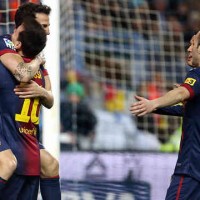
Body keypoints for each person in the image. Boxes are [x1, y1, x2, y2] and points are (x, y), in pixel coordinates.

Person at [130, 31, 200, 199]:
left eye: (193, 44)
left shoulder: (197, 74)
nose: (188, 48)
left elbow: (182, 93)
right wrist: (155, 107)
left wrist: (153, 103)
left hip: (191, 169)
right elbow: (189, 111)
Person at [11, 2, 61, 200]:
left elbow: (49, 100)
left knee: (50, 164)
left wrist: (40, 90)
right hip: (8, 133)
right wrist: (37, 63)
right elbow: (22, 75)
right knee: (7, 166)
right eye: (44, 26)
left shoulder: (38, 61)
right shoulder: (8, 47)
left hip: (28, 135)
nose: (48, 32)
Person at [0, 17, 46, 199]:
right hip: (26, 149)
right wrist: (38, 61)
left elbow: (23, 75)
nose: (11, 33)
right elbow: (49, 100)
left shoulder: (7, 68)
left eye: (16, 31)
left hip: (18, 143)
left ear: (17, 43)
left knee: (9, 164)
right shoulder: (40, 72)